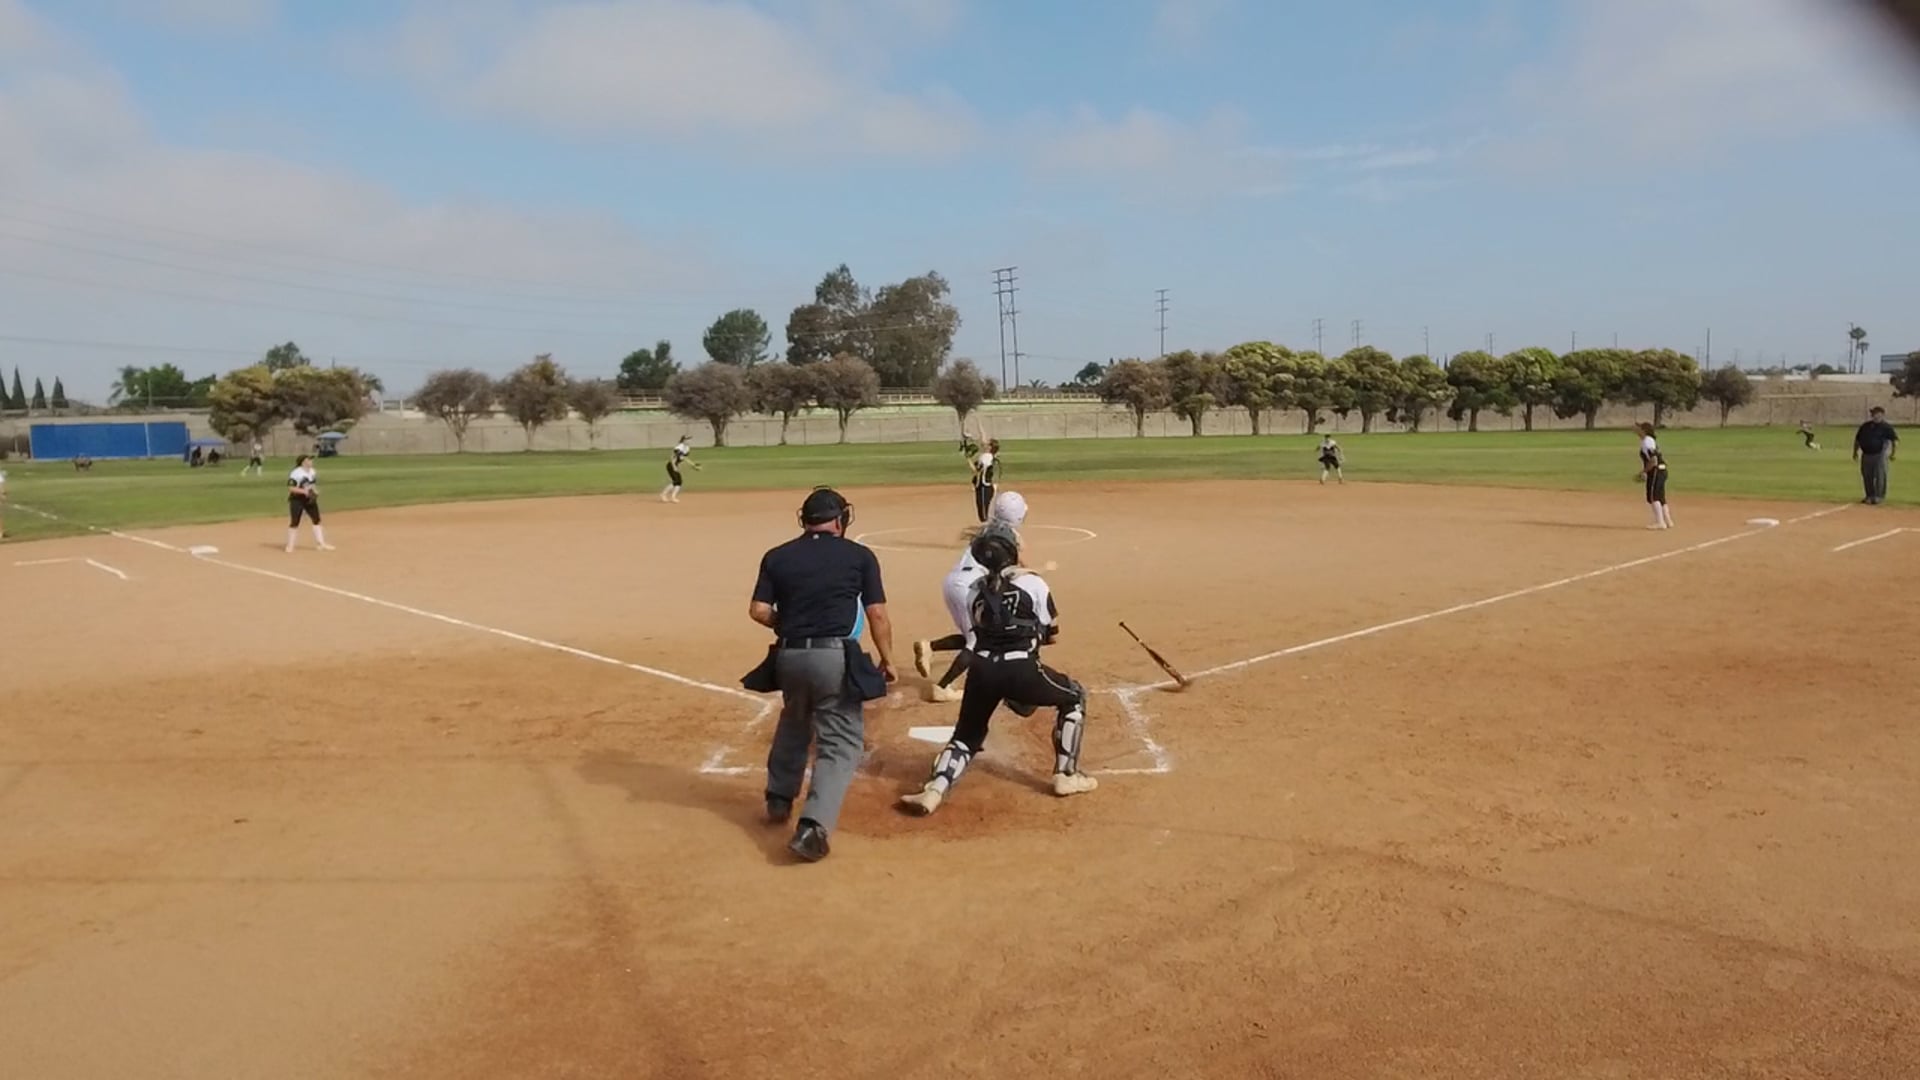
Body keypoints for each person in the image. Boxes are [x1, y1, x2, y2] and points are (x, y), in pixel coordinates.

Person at [744, 488, 897, 862]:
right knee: (840, 742)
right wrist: (888, 659)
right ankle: (813, 827)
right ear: (840, 520)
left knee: (795, 720)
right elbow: (877, 614)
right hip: (833, 658)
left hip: (788, 656)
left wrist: (788, 624)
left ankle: (779, 798)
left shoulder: (777, 556)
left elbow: (759, 610)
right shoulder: (859, 556)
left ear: (805, 520)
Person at [898, 528, 1097, 815]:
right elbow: (1051, 634)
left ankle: (933, 791)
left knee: (966, 736)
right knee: (1074, 696)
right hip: (1021, 670)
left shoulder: (974, 591)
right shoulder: (1033, 583)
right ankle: (1066, 774)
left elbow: (981, 629)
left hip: (981, 671)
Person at [914, 490, 1031, 703]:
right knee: (978, 641)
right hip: (968, 587)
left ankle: (930, 647)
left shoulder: (987, 529)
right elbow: (1018, 568)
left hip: (954, 581)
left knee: (978, 633)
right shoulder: (1010, 537)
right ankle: (942, 687)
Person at [286, 454, 334, 552]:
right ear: (303, 462)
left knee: (316, 520)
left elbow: (311, 485)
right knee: (295, 522)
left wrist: (314, 491)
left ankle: (321, 544)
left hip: (309, 499)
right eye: (309, 460)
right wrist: (304, 492)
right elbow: (291, 488)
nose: (311, 461)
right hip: (297, 499)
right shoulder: (296, 473)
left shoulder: (312, 471)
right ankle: (290, 546)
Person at [1853, 406, 1899, 505]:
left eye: (1876, 413)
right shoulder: (1865, 426)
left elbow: (1894, 440)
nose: (1874, 415)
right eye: (1873, 413)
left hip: (1879, 455)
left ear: (1881, 415)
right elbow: (1857, 439)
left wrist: (1893, 453)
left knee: (1880, 476)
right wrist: (1855, 452)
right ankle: (1869, 496)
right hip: (1866, 454)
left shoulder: (1886, 427)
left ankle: (1879, 496)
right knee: (1867, 476)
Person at [1637, 422, 1673, 530]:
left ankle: (1660, 522)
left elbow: (1653, 460)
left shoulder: (1647, 442)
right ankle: (1668, 521)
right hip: (1662, 469)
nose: (1637, 430)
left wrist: (1644, 471)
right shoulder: (1650, 440)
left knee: (1653, 497)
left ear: (1644, 430)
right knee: (1660, 497)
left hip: (1656, 470)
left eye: (1639, 428)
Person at [661, 436, 700, 503]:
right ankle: (663, 494)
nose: (690, 441)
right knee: (675, 481)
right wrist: (674, 466)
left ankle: (673, 497)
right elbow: (673, 457)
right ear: (684, 440)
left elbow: (684, 458)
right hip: (671, 465)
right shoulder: (679, 447)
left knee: (679, 482)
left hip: (675, 465)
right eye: (688, 439)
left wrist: (693, 465)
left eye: (690, 440)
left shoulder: (687, 448)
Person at [970, 438, 1000, 523]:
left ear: (990, 447)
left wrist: (968, 458)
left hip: (984, 487)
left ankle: (989, 528)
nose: (984, 444)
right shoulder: (987, 456)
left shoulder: (986, 457)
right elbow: (983, 439)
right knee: (983, 512)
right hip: (983, 486)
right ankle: (990, 526)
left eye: (988, 444)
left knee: (983, 514)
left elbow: (976, 471)